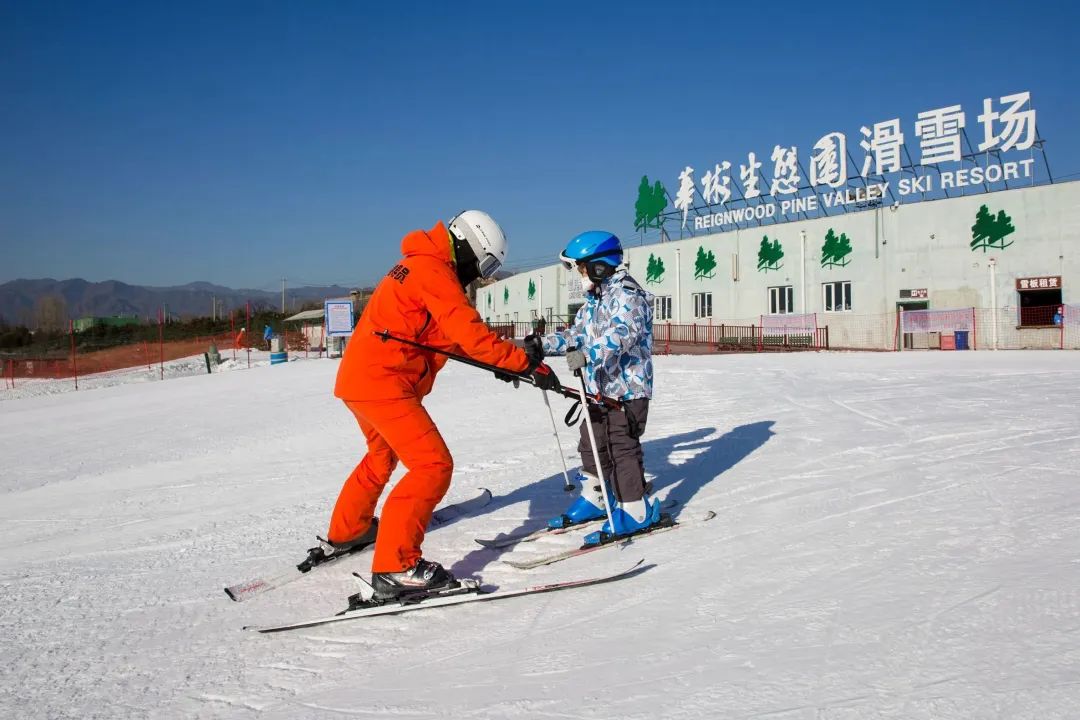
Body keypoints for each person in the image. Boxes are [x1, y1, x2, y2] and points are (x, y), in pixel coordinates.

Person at [326, 210, 560, 600]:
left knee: (381, 456)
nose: (482, 276)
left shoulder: (420, 264)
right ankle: (396, 567)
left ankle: (349, 529)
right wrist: (524, 364)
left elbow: (444, 335)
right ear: (471, 248)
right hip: (384, 382)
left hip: (361, 379)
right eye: (486, 266)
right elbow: (468, 332)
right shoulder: (433, 270)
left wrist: (503, 363)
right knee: (432, 465)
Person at [526, 230, 656, 546]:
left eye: (582, 268)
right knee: (592, 444)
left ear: (599, 265)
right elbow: (578, 335)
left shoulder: (628, 295)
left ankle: (637, 509)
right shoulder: (594, 300)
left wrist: (587, 355)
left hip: (627, 391)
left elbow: (622, 333)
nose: (580, 276)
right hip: (600, 389)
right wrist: (543, 344)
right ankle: (597, 498)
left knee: (620, 446)